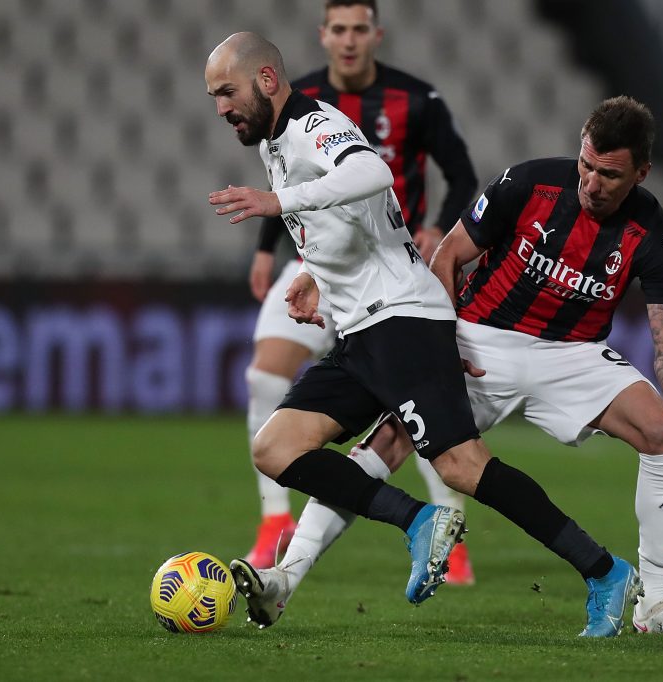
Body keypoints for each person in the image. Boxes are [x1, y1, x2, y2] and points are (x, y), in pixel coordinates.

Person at [205, 31, 641, 637]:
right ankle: (362, 545)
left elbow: (370, 173)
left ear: (268, 81)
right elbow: (348, 220)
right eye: (214, 97)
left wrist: (279, 202)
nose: (221, 107)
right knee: (276, 448)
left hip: (404, 319)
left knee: (462, 466)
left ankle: (604, 571)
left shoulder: (309, 124)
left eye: (227, 92)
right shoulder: (276, 141)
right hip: (360, 331)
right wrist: (311, 271)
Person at [267, 96, 663, 636]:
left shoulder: (654, 234)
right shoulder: (530, 183)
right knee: (387, 444)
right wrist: (440, 343)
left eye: (610, 174)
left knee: (661, 433)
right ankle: (286, 577)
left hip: (571, 352)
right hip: (480, 339)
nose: (592, 183)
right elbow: (447, 257)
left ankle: (655, 603)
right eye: (586, 165)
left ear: (641, 173)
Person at [240, 0, 478, 580]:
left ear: (376, 34)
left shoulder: (415, 99)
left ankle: (447, 526)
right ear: (323, 36)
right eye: (338, 29)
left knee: (412, 412)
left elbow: (460, 175)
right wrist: (272, 250)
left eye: (358, 29)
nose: (348, 40)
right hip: (318, 266)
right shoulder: (292, 104)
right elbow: (292, 190)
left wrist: (437, 230)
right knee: (265, 377)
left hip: (390, 270)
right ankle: (276, 521)